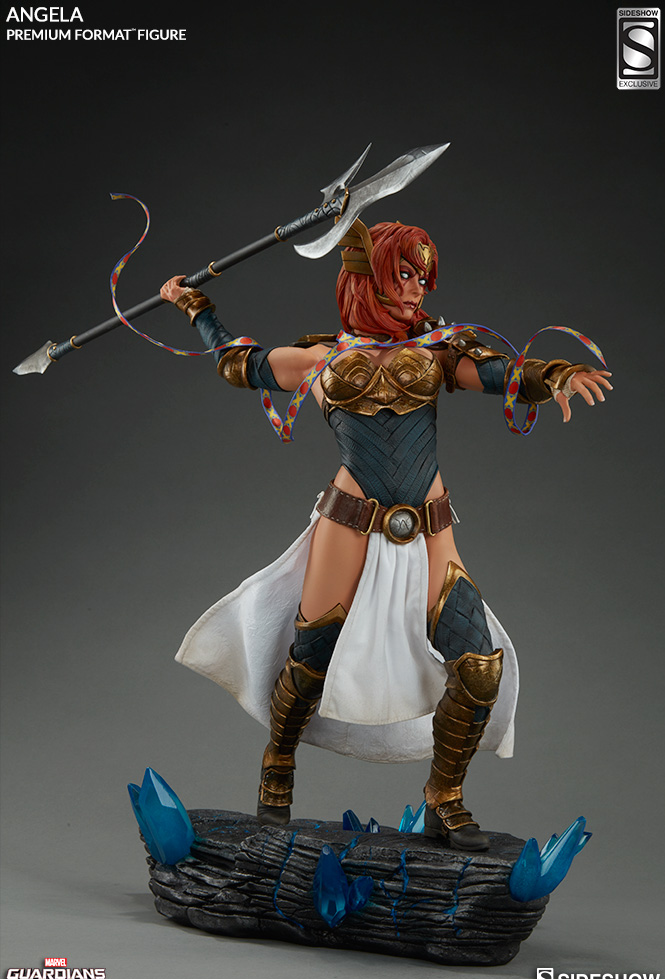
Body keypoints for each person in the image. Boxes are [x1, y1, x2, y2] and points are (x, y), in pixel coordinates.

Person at [160, 219, 611, 851]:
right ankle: (278, 763)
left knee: (479, 668)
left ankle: (444, 797)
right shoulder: (322, 359)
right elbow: (240, 364)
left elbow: (499, 373)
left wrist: (552, 375)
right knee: (310, 661)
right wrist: (196, 307)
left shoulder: (436, 351)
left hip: (428, 529)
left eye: (422, 277)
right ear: (365, 279)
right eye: (404, 274)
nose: (417, 289)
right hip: (348, 523)